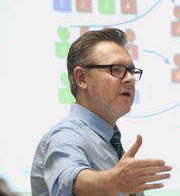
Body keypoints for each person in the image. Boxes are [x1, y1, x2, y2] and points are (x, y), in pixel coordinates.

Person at [30, 28, 172, 196]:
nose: (130, 79)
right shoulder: (66, 135)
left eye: (132, 71)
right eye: (116, 69)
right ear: (82, 78)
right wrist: (112, 182)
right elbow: (67, 180)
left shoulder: (110, 142)